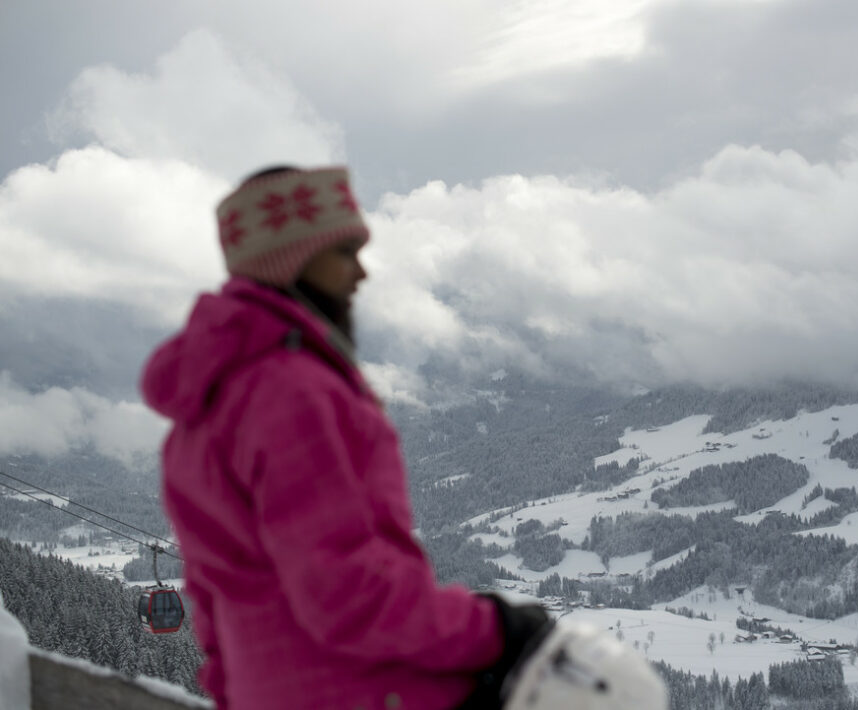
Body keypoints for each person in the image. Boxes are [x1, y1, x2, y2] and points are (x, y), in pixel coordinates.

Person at [141, 165, 551, 710]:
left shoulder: (202, 407)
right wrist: (497, 629)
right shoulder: (291, 392)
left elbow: (214, 600)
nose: (361, 273)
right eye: (344, 252)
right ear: (289, 261)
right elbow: (347, 593)